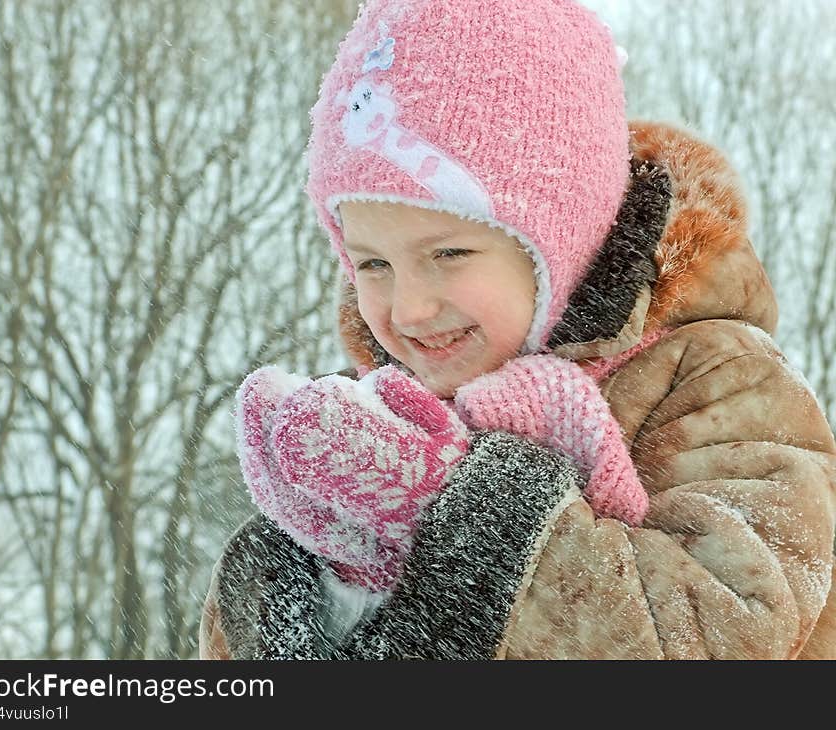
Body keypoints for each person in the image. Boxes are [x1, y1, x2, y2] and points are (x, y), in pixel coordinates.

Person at [199, 0, 836, 659]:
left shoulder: (718, 384)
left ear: (562, 246)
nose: (409, 307)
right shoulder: (370, 417)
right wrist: (289, 591)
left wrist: (470, 514)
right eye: (373, 264)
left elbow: (730, 627)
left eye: (448, 254)